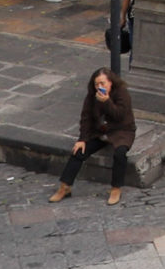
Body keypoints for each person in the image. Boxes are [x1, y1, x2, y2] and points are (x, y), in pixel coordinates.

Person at [51, 67, 135, 205]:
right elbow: (86, 117)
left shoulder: (121, 93)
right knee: (79, 151)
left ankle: (116, 188)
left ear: (110, 82)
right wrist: (82, 139)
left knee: (120, 153)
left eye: (103, 83)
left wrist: (107, 101)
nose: (100, 87)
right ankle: (65, 186)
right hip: (100, 131)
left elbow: (119, 115)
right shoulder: (92, 96)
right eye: (97, 84)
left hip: (121, 130)